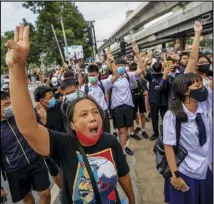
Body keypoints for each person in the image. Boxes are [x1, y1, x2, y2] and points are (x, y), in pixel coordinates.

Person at [6, 24, 135, 204]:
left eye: (95, 112)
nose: (92, 117)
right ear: (72, 124)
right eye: (83, 115)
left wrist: (131, 199)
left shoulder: (111, 142)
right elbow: (28, 128)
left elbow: (124, 176)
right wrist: (17, 68)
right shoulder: (63, 145)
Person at [163, 73, 213, 204]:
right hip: (185, 172)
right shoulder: (172, 116)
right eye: (198, 85)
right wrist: (176, 176)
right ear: (185, 91)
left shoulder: (204, 107)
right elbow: (168, 147)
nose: (202, 88)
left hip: (204, 169)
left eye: (202, 84)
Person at [1, 90, 51, 204]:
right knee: (28, 199)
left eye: (10, 103)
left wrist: (43, 121)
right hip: (15, 169)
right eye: (5, 105)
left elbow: (37, 130)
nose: (10, 107)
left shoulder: (21, 115)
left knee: (46, 193)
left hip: (35, 160)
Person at [109, 41, 148, 155]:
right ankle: (121, 150)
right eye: (118, 66)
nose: (120, 68)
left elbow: (141, 70)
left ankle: (123, 147)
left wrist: (137, 54)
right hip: (117, 107)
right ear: (114, 67)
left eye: (122, 66)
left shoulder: (128, 76)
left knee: (126, 129)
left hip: (128, 106)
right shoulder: (112, 79)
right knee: (120, 130)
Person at [143, 61, 168, 141]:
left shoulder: (165, 76)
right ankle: (156, 133)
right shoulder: (151, 76)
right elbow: (143, 71)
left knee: (164, 118)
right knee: (154, 118)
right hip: (154, 101)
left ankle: (164, 133)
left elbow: (142, 70)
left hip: (163, 101)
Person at [128, 62, 149, 140]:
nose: (134, 72)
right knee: (133, 116)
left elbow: (145, 84)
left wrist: (145, 90)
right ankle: (132, 133)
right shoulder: (128, 77)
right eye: (132, 70)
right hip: (131, 98)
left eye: (135, 70)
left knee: (142, 114)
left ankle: (143, 130)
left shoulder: (140, 77)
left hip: (140, 97)